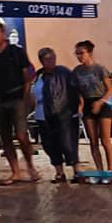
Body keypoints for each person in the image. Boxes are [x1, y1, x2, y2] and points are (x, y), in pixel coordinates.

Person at [0, 19, 39, 183]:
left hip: (16, 97)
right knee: (5, 137)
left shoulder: (16, 51)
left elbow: (27, 74)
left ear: (3, 34)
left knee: (21, 135)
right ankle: (15, 171)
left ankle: (31, 167)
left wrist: (25, 96)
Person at [33, 47, 79, 183]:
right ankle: (59, 172)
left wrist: (75, 109)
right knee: (50, 144)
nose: (51, 61)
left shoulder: (64, 72)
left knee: (68, 143)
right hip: (42, 115)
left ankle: (77, 171)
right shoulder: (38, 75)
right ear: (41, 61)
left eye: (53, 58)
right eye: (47, 59)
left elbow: (74, 90)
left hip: (63, 114)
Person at [72, 40, 112, 171]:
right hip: (87, 103)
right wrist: (80, 105)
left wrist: (100, 102)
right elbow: (77, 91)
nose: (79, 56)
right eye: (77, 53)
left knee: (105, 140)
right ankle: (100, 170)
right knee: (93, 140)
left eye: (81, 53)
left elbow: (109, 89)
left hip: (101, 102)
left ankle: (111, 170)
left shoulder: (99, 69)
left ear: (89, 53)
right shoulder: (77, 71)